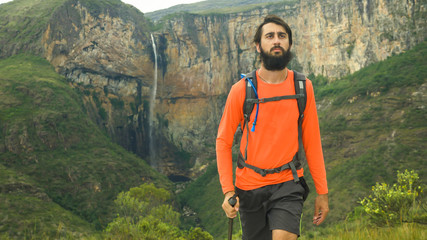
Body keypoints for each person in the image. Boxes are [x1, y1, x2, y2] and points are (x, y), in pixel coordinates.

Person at [216, 15, 329, 240]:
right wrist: (228, 190)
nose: (276, 40)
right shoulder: (241, 90)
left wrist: (322, 192)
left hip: (288, 183)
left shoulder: (303, 87)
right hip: (249, 187)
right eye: (270, 36)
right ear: (258, 46)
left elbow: (312, 141)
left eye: (282, 36)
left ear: (289, 44)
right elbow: (223, 141)